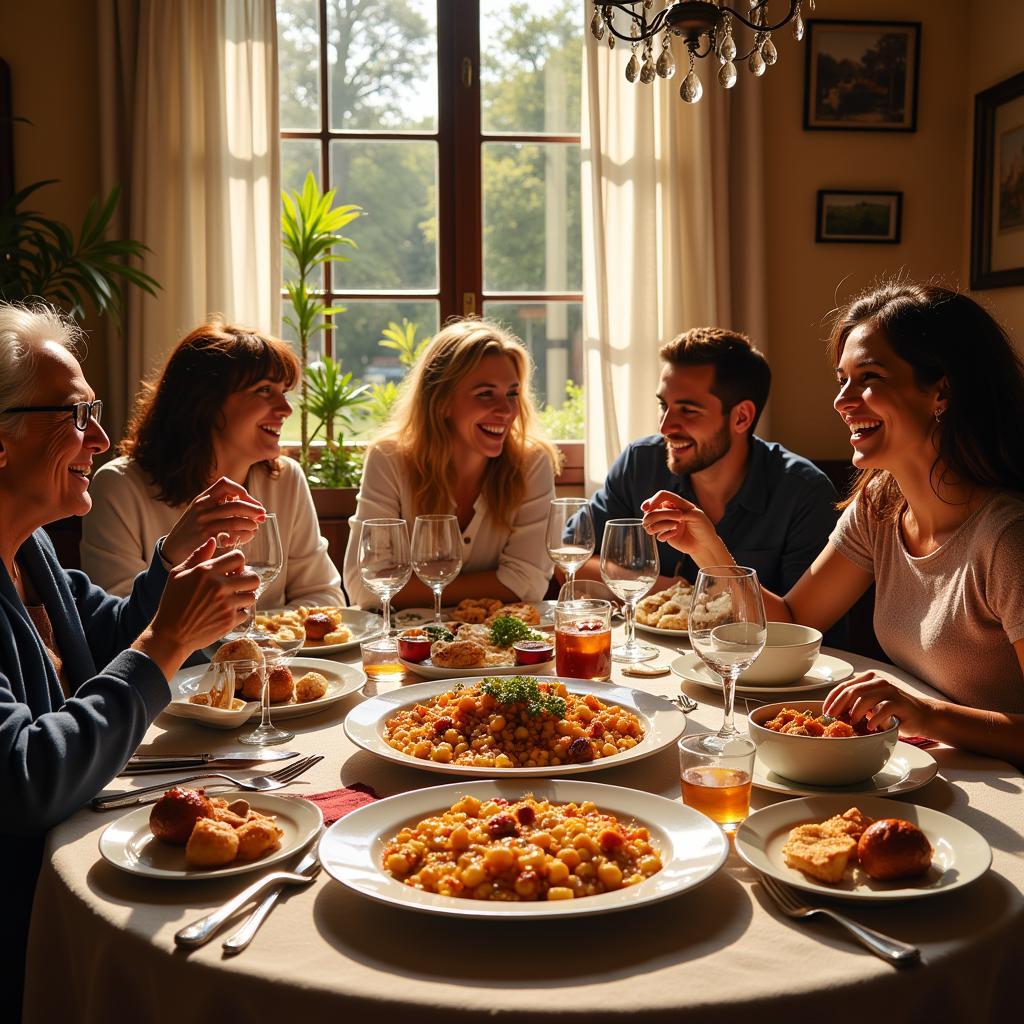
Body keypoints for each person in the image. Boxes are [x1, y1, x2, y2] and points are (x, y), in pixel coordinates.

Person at [0, 302, 263, 1013]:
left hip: (88, 846)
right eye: (74, 416)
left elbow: (106, 638)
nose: (99, 437)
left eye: (96, 411)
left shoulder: (31, 548)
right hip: (32, 918)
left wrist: (177, 558)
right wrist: (167, 641)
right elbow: (25, 779)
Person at [642, 282, 1024, 765]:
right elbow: (794, 624)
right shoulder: (881, 506)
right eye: (840, 380)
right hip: (918, 765)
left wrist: (930, 715)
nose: (843, 401)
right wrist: (709, 550)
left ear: (940, 391)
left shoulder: (1008, 538)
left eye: (868, 377)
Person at [81, 318, 344, 609]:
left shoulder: (285, 480)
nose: (286, 408)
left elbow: (325, 596)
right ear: (205, 401)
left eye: (284, 391)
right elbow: (119, 624)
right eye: (265, 390)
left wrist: (258, 641)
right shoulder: (119, 487)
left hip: (273, 656)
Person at [573, 326, 839, 595]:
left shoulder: (804, 493)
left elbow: (801, 624)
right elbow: (571, 558)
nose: (666, 427)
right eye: (664, 406)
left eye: (688, 410)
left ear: (741, 417)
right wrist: (672, 591)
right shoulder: (639, 463)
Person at [343, 318, 560, 609]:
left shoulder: (531, 462)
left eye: (512, 393)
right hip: (409, 646)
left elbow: (529, 584)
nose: (507, 410)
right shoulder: (389, 458)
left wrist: (419, 586)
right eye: (485, 394)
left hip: (499, 649)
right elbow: (363, 586)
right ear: (441, 401)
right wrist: (493, 585)